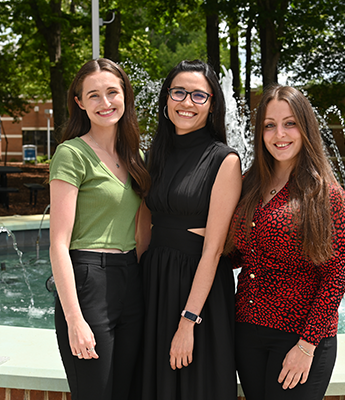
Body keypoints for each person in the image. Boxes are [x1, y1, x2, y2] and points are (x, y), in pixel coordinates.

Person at [227, 84, 345, 400]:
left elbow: (336, 279)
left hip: (299, 336)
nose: (279, 134)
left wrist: (306, 345)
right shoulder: (248, 185)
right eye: (269, 125)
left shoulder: (327, 195)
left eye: (290, 123)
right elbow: (239, 254)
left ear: (306, 128)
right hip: (248, 330)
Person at [136, 59, 242, 400]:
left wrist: (188, 320)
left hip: (199, 289)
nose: (186, 102)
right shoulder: (153, 156)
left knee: (196, 385)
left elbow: (213, 249)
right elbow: (143, 229)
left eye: (199, 95)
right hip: (155, 280)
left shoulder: (224, 160)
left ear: (212, 105)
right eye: (179, 92)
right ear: (166, 99)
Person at [49, 58, 150, 400]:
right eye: (94, 95)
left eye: (112, 92)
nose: (105, 103)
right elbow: (58, 244)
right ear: (79, 102)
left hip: (130, 281)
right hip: (88, 281)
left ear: (125, 96)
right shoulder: (71, 154)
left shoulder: (134, 156)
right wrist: (74, 319)